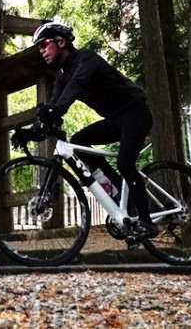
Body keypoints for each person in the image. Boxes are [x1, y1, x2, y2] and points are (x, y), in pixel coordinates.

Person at [30, 21, 158, 241]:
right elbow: (56, 103)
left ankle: (147, 222)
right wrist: (37, 127)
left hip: (135, 112)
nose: (41, 51)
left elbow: (77, 85)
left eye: (44, 45)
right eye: (39, 48)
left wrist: (57, 108)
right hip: (115, 119)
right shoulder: (61, 75)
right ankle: (116, 185)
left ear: (61, 42)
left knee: (126, 163)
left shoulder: (86, 58)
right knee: (79, 141)